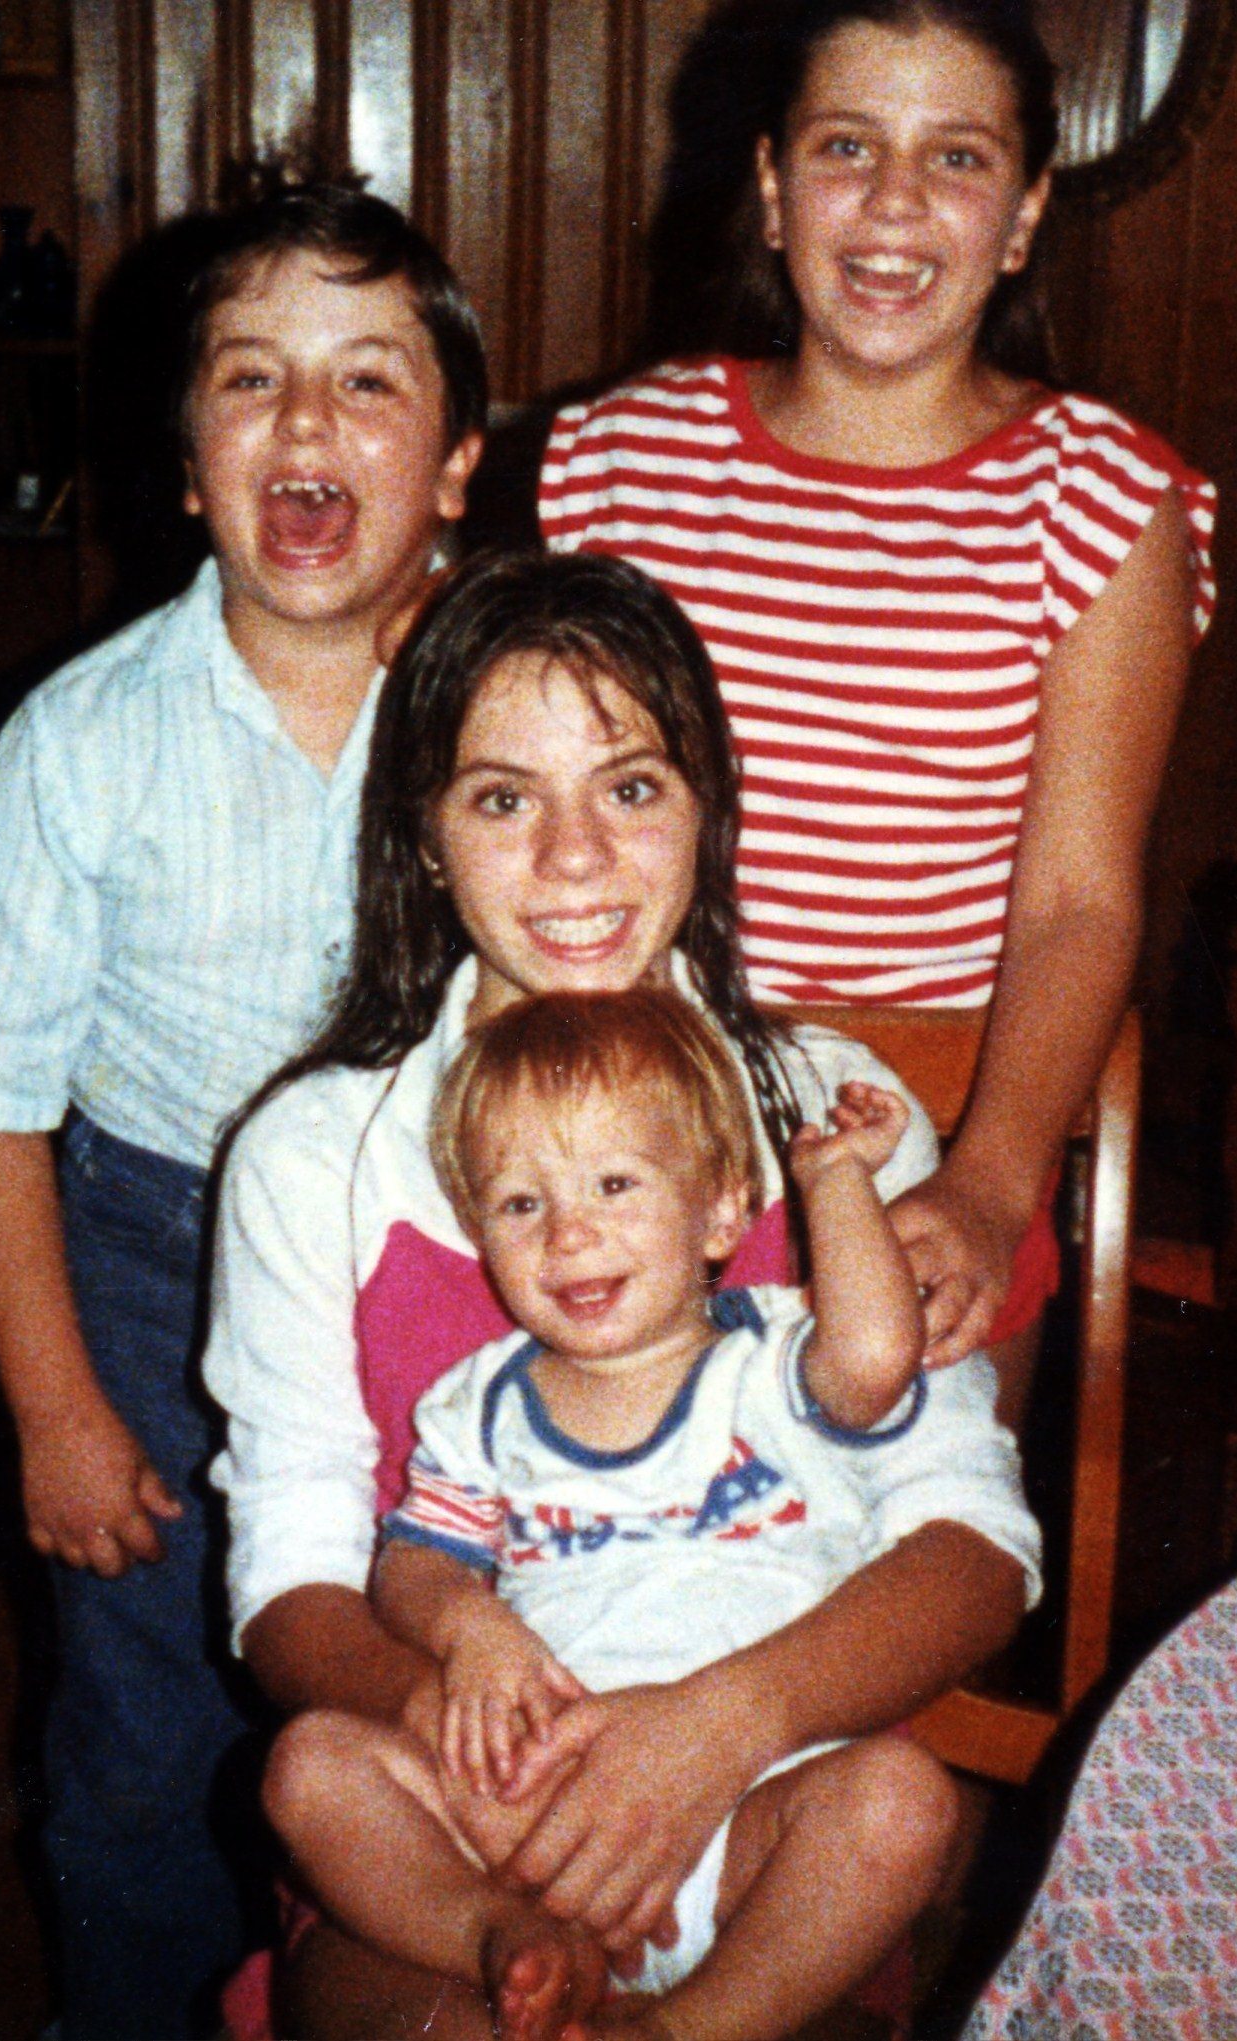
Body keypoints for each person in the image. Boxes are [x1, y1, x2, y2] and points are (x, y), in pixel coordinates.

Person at [205, 548, 1035, 2039]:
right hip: (465, 1812)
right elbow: (291, 1593)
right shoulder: (311, 1159)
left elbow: (972, 1548)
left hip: (771, 1812)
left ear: (709, 806)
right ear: (424, 836)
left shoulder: (837, 1124)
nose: (575, 859)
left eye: (632, 787)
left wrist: (720, 1727)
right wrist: (500, 1746)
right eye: (503, 799)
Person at [0, 182, 487, 2040]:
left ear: (455, 469)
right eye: (250, 378)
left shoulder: (510, 710)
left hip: (451, 1263)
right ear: (184, 463)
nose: (306, 420)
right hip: (157, 1265)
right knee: (157, 1724)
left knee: (432, 1683)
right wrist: (55, 1410)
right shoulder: (76, 744)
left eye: (368, 381)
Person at [539, 0, 1219, 1398]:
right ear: (774, 188)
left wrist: (990, 1186)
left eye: (958, 158)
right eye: (847, 146)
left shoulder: (1099, 499)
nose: (895, 202)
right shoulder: (616, 460)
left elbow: (1079, 903)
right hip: (620, 1137)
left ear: (1024, 215)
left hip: (935, 1153)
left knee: (906, 1512)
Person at [265, 987, 1035, 2041]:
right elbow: (413, 1563)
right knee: (310, 1764)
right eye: (519, 1204)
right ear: (479, 1234)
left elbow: (872, 1361)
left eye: (615, 1183)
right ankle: (498, 1933)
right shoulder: (479, 1402)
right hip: (532, 1812)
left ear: (721, 1213)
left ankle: (685, 2028)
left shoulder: (777, 1357)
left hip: (756, 1817)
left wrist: (835, 1184)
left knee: (901, 1801)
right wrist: (466, 1625)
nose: (569, 1231)